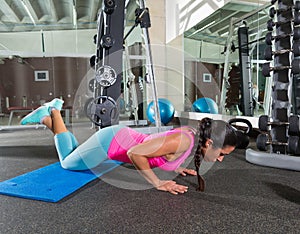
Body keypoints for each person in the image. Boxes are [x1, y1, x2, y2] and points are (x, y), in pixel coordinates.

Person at [20, 98, 237, 195]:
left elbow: (162, 149)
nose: (220, 159)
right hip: (109, 144)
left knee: (75, 151)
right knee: (68, 162)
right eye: (222, 154)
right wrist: (158, 182)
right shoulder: (184, 140)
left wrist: (177, 168)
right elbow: (135, 154)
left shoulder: (192, 137)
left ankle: (47, 120)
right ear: (210, 143)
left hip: (117, 138)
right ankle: (54, 110)